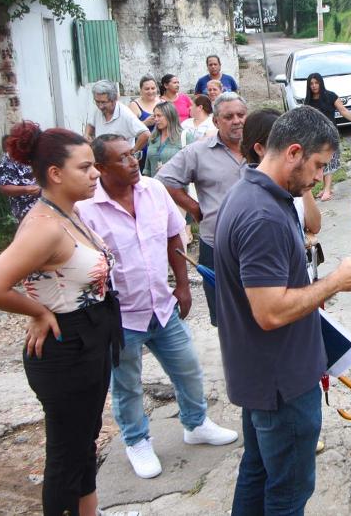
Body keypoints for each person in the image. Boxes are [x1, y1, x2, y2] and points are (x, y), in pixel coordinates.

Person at [215, 106, 351, 514]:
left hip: (266, 376)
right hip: (281, 385)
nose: (321, 178)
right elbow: (270, 312)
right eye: (319, 165)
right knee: (287, 494)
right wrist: (334, 282)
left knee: (258, 473)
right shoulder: (262, 214)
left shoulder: (258, 192)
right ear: (293, 152)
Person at [0, 121, 122, 516]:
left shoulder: (67, 213)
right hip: (66, 348)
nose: (95, 174)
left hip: (91, 338)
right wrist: (37, 310)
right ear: (55, 174)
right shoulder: (44, 227)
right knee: (65, 458)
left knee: (84, 445)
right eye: (85, 167)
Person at [77, 134, 238, 480]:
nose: (133, 161)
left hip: (161, 306)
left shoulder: (152, 190)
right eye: (122, 158)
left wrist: (182, 285)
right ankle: (137, 441)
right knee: (127, 384)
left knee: (188, 368)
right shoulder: (85, 208)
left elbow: (172, 237)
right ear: (102, 168)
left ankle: (196, 424)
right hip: (119, 316)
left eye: (134, 154)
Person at [155, 92, 248, 328]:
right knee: (226, 317)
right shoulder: (198, 152)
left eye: (241, 115)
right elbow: (163, 180)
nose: (237, 120)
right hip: (216, 246)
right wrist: (194, 208)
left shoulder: (261, 149)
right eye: (229, 116)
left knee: (263, 309)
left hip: (258, 244)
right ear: (216, 121)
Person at [241, 108, 322, 236]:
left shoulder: (293, 181)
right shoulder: (259, 205)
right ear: (259, 149)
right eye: (277, 143)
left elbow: (315, 226)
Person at [303, 72, 351, 201]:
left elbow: (343, 111)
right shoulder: (308, 101)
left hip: (330, 135)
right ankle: (326, 188)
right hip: (316, 137)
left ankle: (327, 190)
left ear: (321, 83)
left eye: (316, 83)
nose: (314, 86)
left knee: (329, 162)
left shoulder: (330, 96)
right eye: (311, 84)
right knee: (322, 163)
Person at [85, 80, 150, 153]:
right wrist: (87, 134)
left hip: (120, 162)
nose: (100, 106)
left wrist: (132, 152)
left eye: (103, 102)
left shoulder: (125, 114)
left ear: (114, 99)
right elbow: (91, 123)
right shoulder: (98, 111)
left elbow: (146, 134)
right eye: (97, 101)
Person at [0, 134, 40, 222]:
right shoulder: (5, 163)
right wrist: (26, 189)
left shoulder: (25, 157)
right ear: (7, 148)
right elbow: (3, 188)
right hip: (26, 209)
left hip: (43, 204)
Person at [143, 101, 184, 177]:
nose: (156, 119)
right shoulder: (153, 138)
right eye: (154, 116)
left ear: (170, 116)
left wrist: (171, 168)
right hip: (155, 186)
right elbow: (147, 169)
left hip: (175, 186)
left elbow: (192, 166)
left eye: (159, 116)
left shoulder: (185, 136)